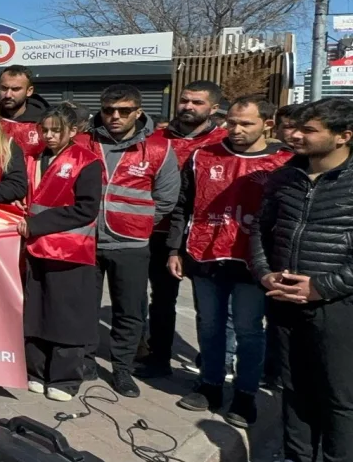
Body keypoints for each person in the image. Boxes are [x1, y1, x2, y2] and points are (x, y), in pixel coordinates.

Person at [243, 98, 353, 462]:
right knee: (294, 383)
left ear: (343, 136)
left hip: (337, 304)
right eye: (296, 129)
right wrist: (265, 273)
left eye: (309, 130)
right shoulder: (286, 176)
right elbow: (261, 228)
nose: (296, 136)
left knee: (339, 394)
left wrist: (322, 287)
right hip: (285, 297)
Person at [166, 97, 290, 428]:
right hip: (205, 256)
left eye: (245, 123)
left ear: (267, 123)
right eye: (232, 122)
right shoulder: (202, 156)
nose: (235, 129)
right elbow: (183, 206)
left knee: (249, 330)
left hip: (255, 263)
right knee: (209, 325)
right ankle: (210, 385)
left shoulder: (285, 163)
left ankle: (246, 394)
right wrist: (174, 249)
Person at [88, 84, 180, 398]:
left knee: (128, 312)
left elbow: (167, 200)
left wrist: (137, 222)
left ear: (138, 112)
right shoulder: (84, 143)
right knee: (84, 307)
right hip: (86, 240)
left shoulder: (159, 148)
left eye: (123, 111)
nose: (115, 116)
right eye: (108, 110)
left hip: (130, 244)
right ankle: (86, 361)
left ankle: (122, 371)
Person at [142, 80, 229, 378]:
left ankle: (212, 366)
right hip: (159, 230)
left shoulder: (224, 142)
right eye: (184, 100)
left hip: (206, 236)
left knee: (209, 309)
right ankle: (158, 357)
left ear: (213, 108)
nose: (188, 107)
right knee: (161, 299)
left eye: (197, 102)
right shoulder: (156, 137)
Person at [19, 103, 105, 401]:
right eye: (45, 130)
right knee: (36, 311)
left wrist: (37, 223)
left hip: (70, 251)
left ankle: (66, 378)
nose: (50, 135)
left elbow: (86, 209)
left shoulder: (87, 161)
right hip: (34, 248)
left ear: (73, 131)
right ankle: (36, 370)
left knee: (66, 317)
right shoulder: (32, 158)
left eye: (57, 130)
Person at [0, 65, 50, 161]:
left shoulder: (44, 122)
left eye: (15, 89)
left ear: (29, 91)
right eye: (4, 88)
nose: (8, 95)